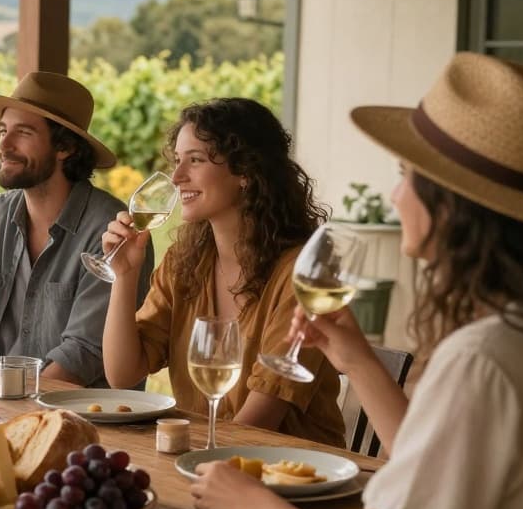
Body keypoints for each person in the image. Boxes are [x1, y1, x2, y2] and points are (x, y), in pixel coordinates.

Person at [190, 53, 523, 509]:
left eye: (405, 176)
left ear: (453, 204)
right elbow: (434, 464)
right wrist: (354, 357)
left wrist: (251, 501)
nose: (396, 197)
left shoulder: (481, 360)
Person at [100, 97, 345, 446]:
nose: (177, 177)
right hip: (208, 458)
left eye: (195, 160)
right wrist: (124, 276)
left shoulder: (303, 275)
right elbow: (122, 374)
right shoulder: (185, 263)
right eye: (177, 161)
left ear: (246, 171)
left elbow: (259, 424)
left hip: (295, 475)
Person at [0, 71, 153, 387]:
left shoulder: (112, 232)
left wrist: (4, 406)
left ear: (65, 147)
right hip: (14, 404)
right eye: (2, 131)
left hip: (87, 419)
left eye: (22, 133)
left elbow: (81, 357)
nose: (3, 145)